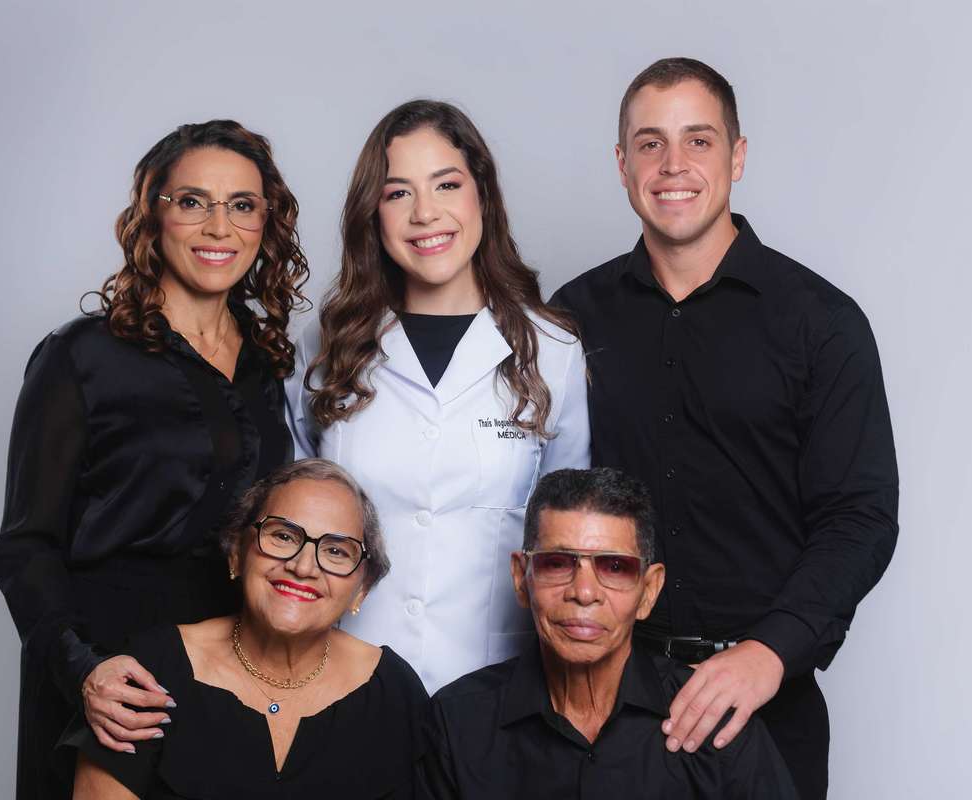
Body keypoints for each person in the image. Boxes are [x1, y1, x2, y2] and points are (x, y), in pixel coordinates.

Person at [550, 58, 899, 799]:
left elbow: (860, 517)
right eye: (650, 143)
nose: (672, 165)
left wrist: (769, 653)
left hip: (765, 702)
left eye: (699, 141)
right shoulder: (572, 318)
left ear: (737, 156)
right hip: (606, 695)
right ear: (622, 164)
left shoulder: (822, 323)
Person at [0, 120, 310, 799]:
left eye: (242, 205)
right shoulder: (82, 355)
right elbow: (24, 546)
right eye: (192, 201)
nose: (218, 227)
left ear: (267, 222)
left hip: (232, 668)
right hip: (112, 673)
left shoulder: (268, 361)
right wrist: (83, 669)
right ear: (153, 215)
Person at [287, 100, 590, 692]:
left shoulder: (553, 352)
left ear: (483, 195)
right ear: (373, 212)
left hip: (496, 683)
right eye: (398, 193)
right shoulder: (326, 345)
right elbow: (290, 521)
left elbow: (567, 535)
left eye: (447, 185)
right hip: (339, 676)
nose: (425, 213)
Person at [420, 467, 797, 799]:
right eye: (557, 563)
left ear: (649, 591)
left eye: (615, 567)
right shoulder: (458, 724)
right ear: (522, 578)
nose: (584, 593)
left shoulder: (717, 726)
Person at [65, 458, 429, 799]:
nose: (303, 567)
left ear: (362, 588)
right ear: (237, 552)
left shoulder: (393, 692)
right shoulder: (151, 669)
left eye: (336, 551)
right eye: (283, 536)